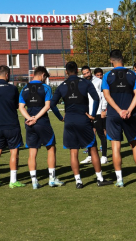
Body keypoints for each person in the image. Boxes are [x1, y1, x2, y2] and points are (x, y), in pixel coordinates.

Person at [51, 61, 113, 189]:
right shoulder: (85, 83)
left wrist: (60, 117)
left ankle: (78, 181)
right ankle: (100, 178)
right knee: (93, 149)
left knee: (73, 152)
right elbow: (97, 98)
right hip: (83, 120)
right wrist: (92, 114)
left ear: (66, 72)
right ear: (78, 71)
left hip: (69, 121)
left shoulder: (62, 85)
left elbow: (52, 104)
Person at [102, 50, 136, 187]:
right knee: (134, 144)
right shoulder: (131, 74)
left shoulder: (107, 75)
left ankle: (120, 180)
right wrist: (129, 110)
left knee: (116, 147)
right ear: (122, 59)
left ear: (111, 60)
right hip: (130, 115)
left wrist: (119, 111)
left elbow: (107, 96)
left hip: (113, 115)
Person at [19, 66, 64, 189]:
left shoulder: (24, 88)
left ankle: (34, 182)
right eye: (45, 77)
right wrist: (36, 118)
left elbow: (21, 107)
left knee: (32, 152)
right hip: (42, 122)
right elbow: (47, 106)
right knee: (51, 148)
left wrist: (29, 118)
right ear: (43, 75)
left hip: (29, 124)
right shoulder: (46, 87)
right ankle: (52, 179)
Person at [0, 65, 25, 188]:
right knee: (14, 152)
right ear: (7, 75)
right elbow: (16, 105)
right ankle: (13, 180)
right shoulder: (12, 88)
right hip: (12, 124)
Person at [80, 66, 108, 165]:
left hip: (98, 112)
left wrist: (104, 109)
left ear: (90, 72)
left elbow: (104, 96)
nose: (86, 75)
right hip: (87, 112)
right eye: (84, 73)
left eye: (87, 73)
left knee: (101, 133)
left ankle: (104, 156)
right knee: (89, 134)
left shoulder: (98, 81)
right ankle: (90, 156)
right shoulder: (82, 82)